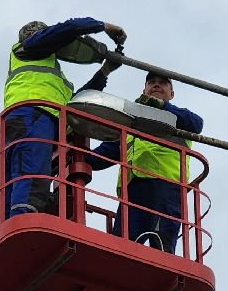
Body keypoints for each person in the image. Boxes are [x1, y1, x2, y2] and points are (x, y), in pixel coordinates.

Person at [1, 18, 127, 219]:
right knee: (31, 175)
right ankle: (23, 220)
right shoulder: (28, 47)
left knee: (14, 180)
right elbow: (67, 29)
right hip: (33, 116)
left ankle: (3, 227)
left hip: (32, 120)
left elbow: (76, 101)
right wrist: (104, 26)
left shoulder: (53, 79)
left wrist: (104, 71)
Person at [87, 71, 203, 254]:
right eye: (152, 82)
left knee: (161, 244)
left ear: (171, 94)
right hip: (132, 189)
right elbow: (103, 155)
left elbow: (197, 124)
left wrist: (163, 106)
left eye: (163, 83)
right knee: (121, 245)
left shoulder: (178, 119)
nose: (156, 85)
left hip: (165, 186)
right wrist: (73, 152)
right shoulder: (131, 126)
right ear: (144, 90)